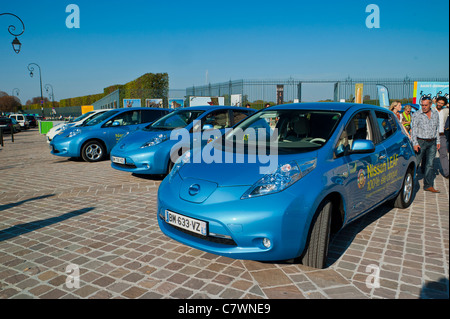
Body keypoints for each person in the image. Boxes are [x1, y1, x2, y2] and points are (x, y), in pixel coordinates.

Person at [410, 97, 441, 193]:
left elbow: (437, 128)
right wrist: (415, 143)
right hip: (420, 142)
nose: (423, 107)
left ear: (430, 104)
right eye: (422, 105)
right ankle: (410, 184)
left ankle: (428, 185)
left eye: (426, 105)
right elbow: (413, 130)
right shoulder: (417, 115)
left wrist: (438, 141)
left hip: (432, 142)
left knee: (430, 165)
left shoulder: (435, 114)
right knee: (416, 163)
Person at [435, 96, 449, 179]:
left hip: (442, 135)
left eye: (442, 103)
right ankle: (423, 169)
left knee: (443, 154)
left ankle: (447, 172)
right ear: (436, 102)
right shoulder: (432, 110)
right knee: (428, 154)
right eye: (439, 102)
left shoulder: (446, 110)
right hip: (431, 135)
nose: (440, 104)